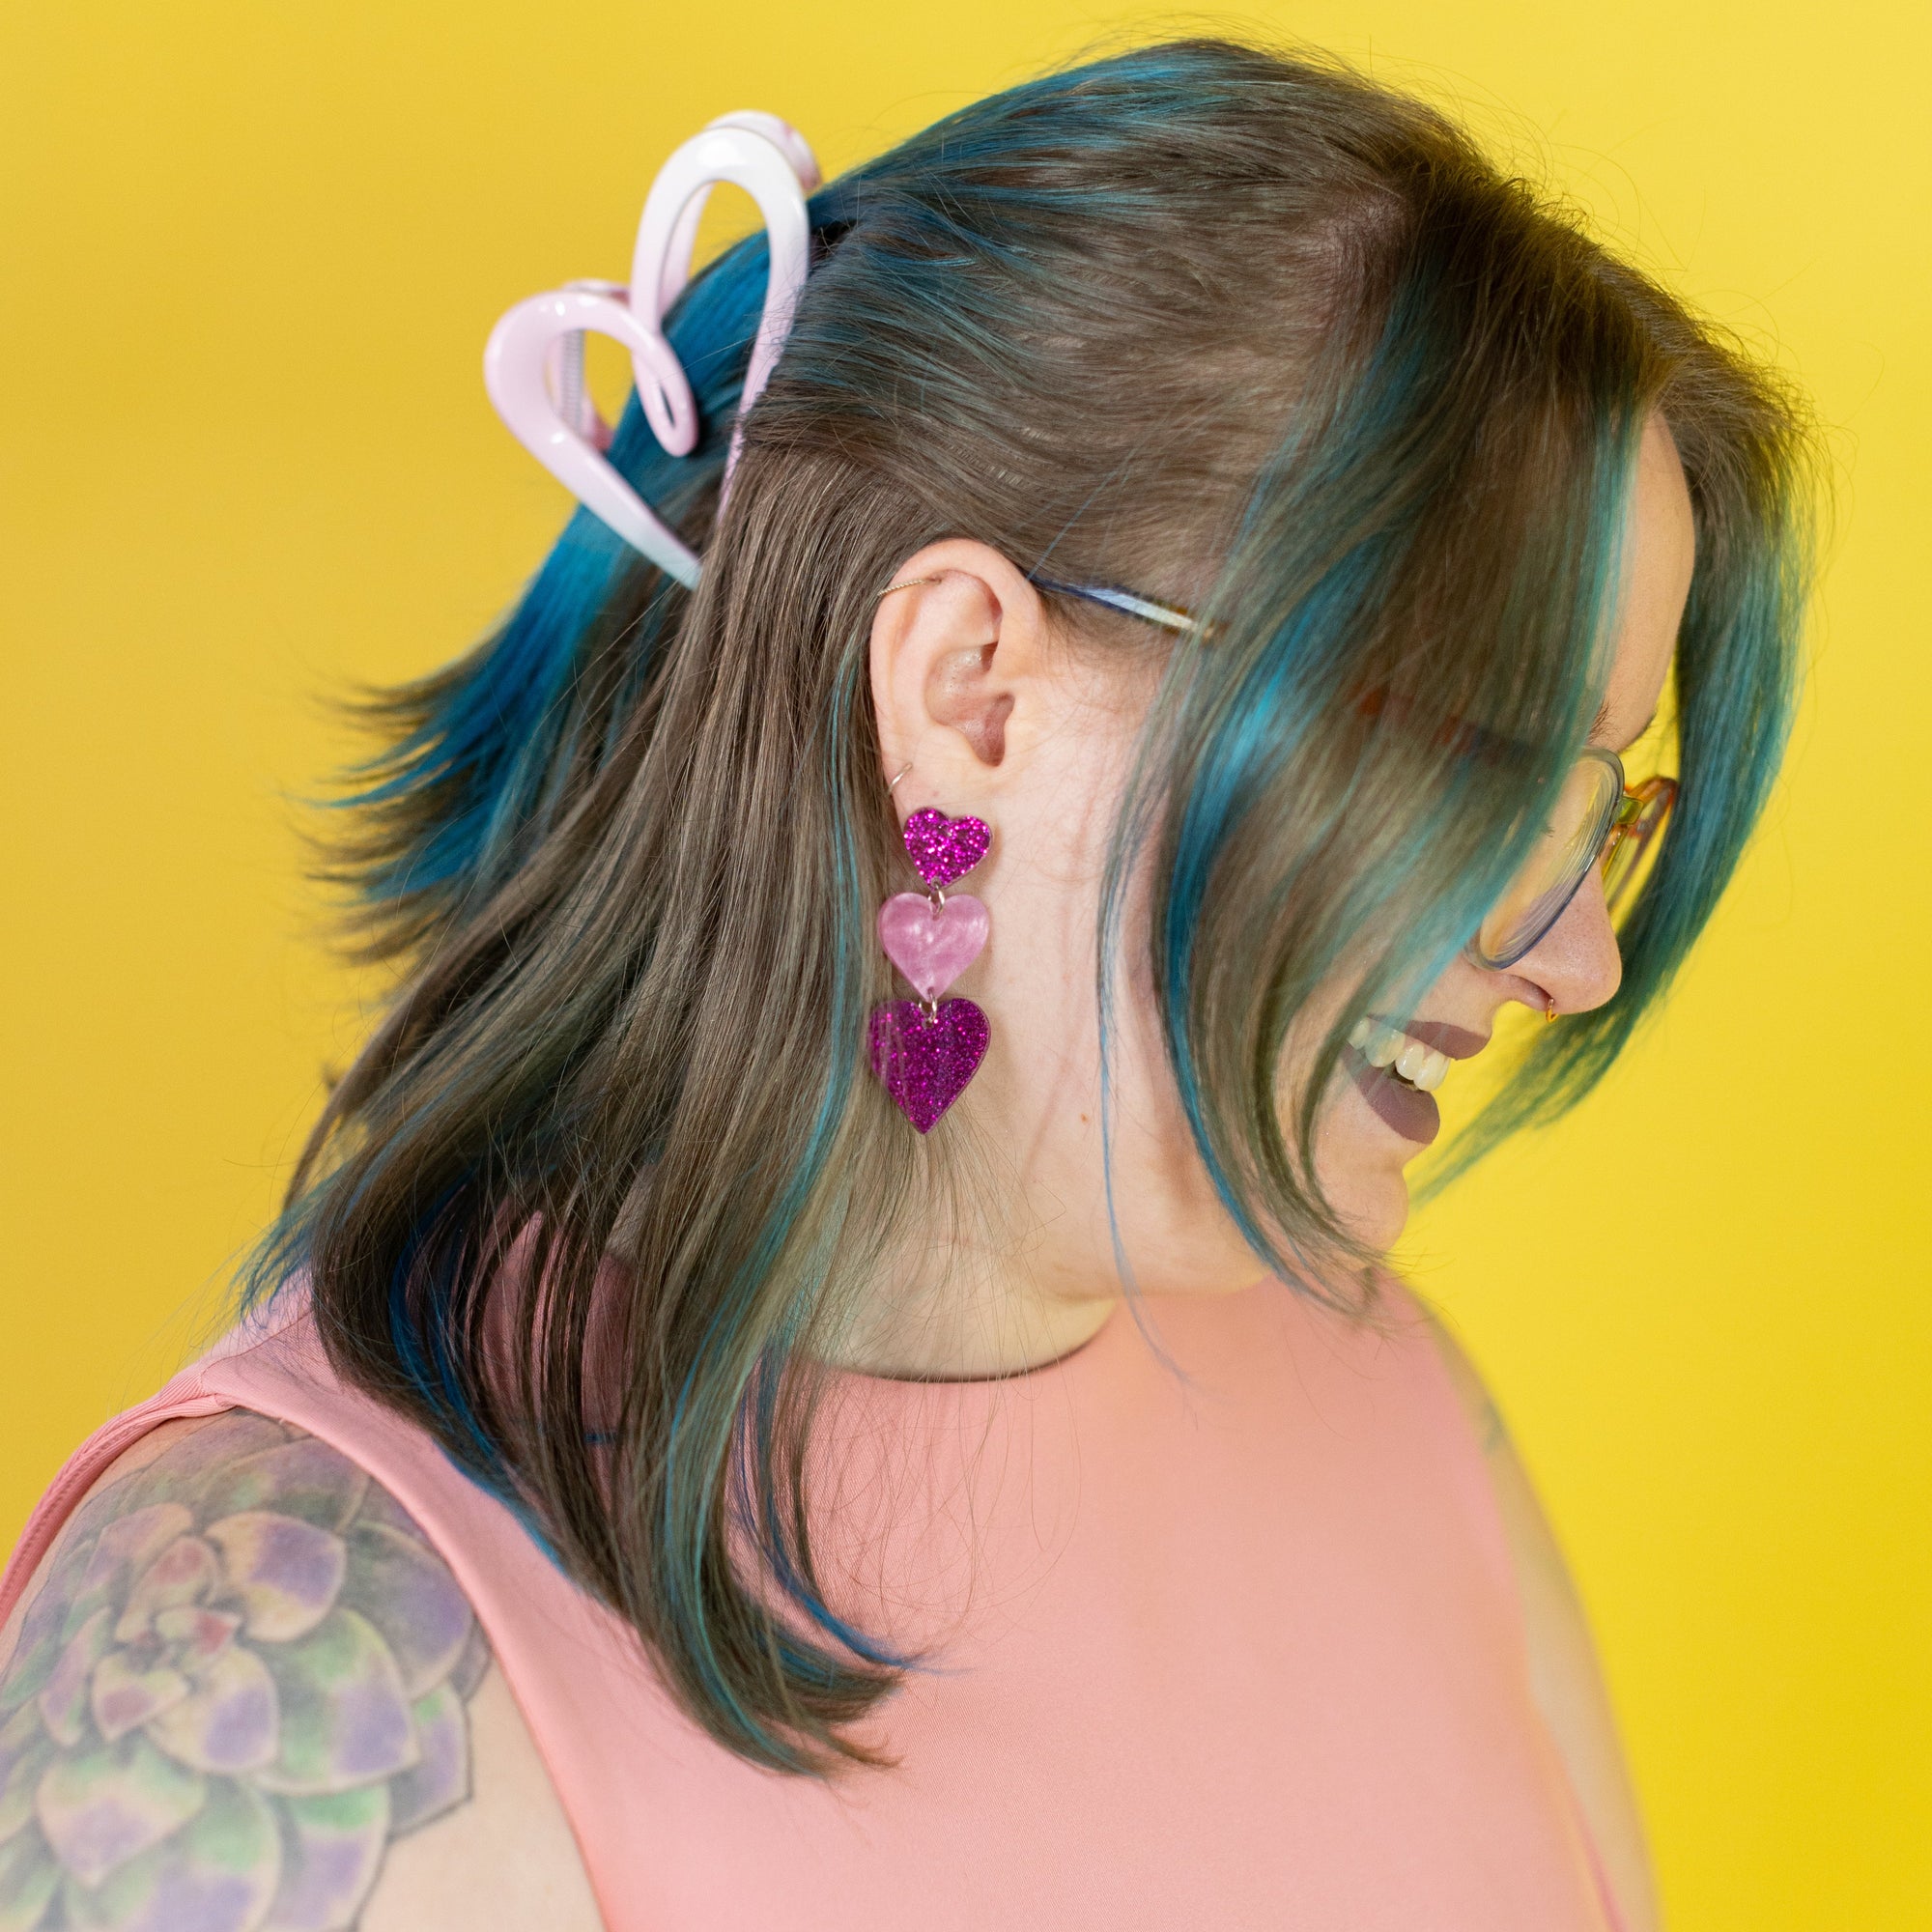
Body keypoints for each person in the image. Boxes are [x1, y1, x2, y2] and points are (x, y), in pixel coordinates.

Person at [0, 38, 1810, 1932]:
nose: (1577, 950)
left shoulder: (1397, 1404)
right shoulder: (282, 1677)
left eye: (1599, 811)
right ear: (970, 693)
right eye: (1476, 769)